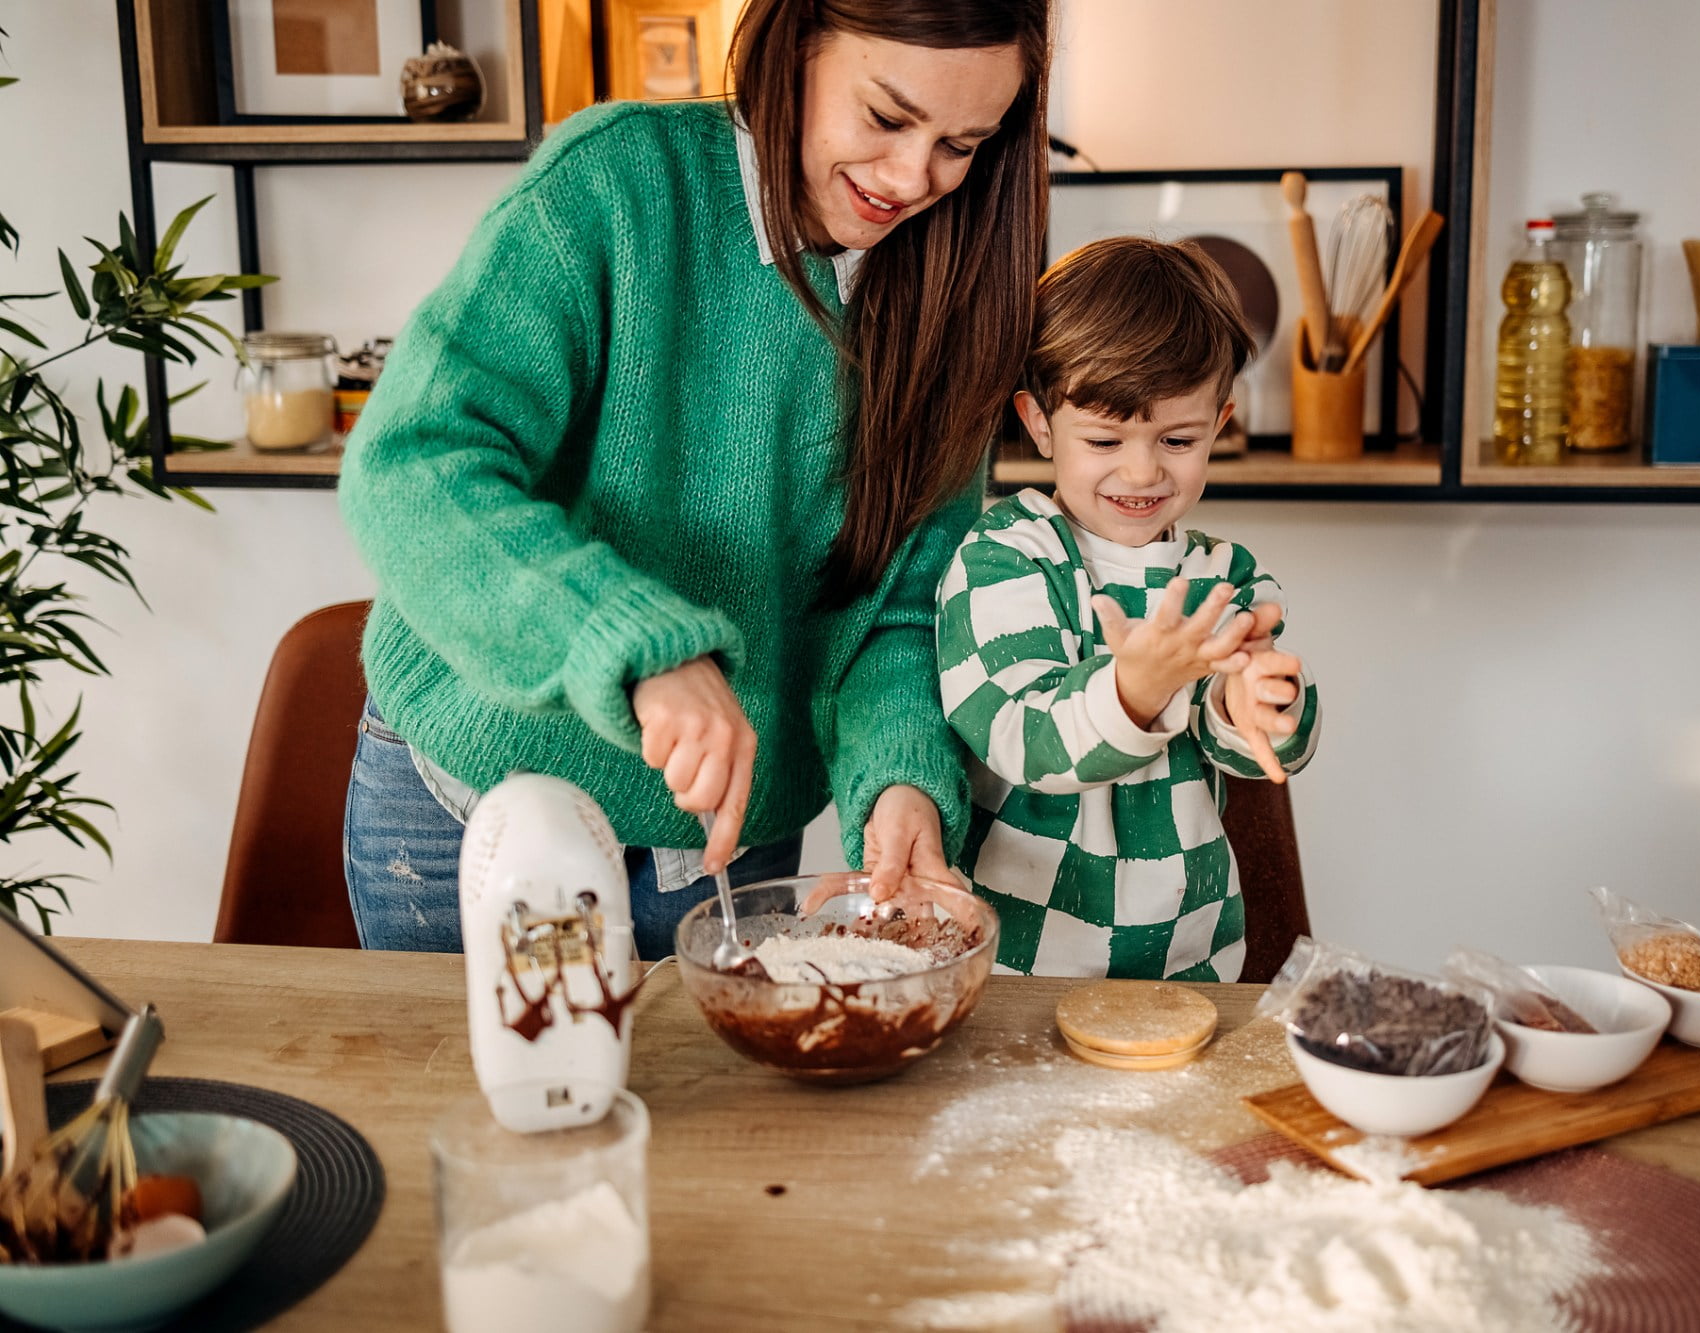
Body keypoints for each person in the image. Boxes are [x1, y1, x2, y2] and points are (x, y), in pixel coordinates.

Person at [338, 0, 1051, 954]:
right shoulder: (618, 184)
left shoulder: (956, 296)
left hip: (726, 841)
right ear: (793, 45)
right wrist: (639, 645)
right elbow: (412, 466)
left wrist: (900, 781)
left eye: (962, 144)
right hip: (473, 794)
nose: (913, 177)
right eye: (885, 117)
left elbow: (900, 608)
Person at [936, 237, 1321, 981]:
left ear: (1221, 422)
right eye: (1105, 438)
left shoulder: (1224, 573)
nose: (1142, 470)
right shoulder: (1007, 555)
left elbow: (1256, 753)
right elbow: (1020, 737)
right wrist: (1133, 690)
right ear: (1041, 422)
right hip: (1022, 965)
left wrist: (1261, 707)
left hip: (1191, 955)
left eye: (1178, 439)